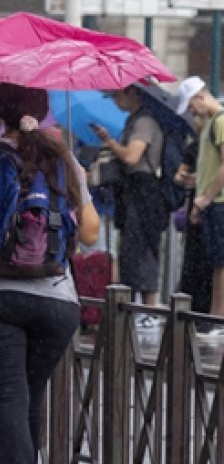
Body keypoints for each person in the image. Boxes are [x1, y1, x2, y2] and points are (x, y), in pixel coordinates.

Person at [0, 83, 100, 464]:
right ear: (43, 112)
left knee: (8, 396)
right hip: (57, 303)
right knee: (29, 395)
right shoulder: (66, 163)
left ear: (1, 112)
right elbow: (92, 233)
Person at [92, 85, 166, 324]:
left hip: (144, 191)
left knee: (142, 248)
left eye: (117, 95)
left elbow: (131, 156)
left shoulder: (145, 121)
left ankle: (150, 310)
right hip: (131, 191)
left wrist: (109, 141)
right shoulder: (133, 120)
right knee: (130, 252)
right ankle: (135, 307)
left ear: (131, 93)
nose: (115, 100)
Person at [179, 77, 224, 327]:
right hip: (212, 201)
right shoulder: (211, 125)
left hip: (218, 201)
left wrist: (205, 197)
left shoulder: (219, 122)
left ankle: (218, 317)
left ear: (199, 96)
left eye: (191, 106)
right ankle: (216, 316)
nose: (192, 111)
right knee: (217, 264)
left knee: (220, 264)